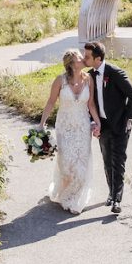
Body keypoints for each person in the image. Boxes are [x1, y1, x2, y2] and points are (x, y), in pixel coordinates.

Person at [38, 49, 101, 214]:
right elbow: (51, 102)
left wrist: (98, 123)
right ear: (72, 64)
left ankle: (74, 198)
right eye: (79, 58)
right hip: (64, 128)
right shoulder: (60, 80)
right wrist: (41, 124)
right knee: (66, 165)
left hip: (82, 128)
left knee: (81, 165)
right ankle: (64, 191)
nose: (83, 59)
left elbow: (91, 105)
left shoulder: (89, 80)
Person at [82, 41, 132, 215]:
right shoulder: (89, 75)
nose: (84, 58)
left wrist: (129, 118)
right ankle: (111, 193)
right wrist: (93, 122)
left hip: (120, 124)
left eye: (87, 56)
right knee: (107, 161)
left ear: (98, 58)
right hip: (103, 125)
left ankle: (117, 200)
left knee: (118, 161)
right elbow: (90, 103)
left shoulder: (115, 73)